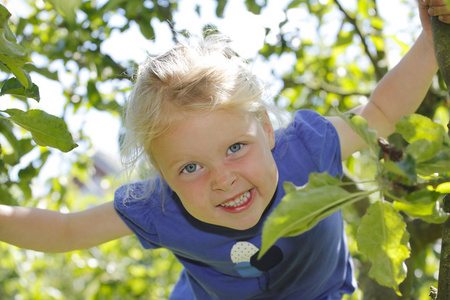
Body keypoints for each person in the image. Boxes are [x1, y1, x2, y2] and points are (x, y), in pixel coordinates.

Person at [0, 1, 449, 299]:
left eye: (236, 147)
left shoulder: (306, 149)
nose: (222, 177)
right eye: (190, 167)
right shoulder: (159, 208)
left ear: (267, 131)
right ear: (163, 176)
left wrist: (431, 41)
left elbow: (381, 110)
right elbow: (62, 232)